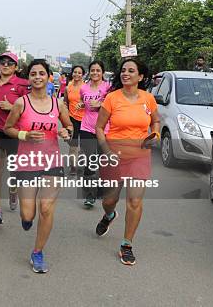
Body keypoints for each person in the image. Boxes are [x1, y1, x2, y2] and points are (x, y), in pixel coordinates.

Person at [4, 59, 73, 273]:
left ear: (48, 77)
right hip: (27, 163)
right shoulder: (20, 104)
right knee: (28, 214)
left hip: (52, 162)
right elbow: (8, 128)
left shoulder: (58, 104)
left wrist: (66, 132)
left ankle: (37, 252)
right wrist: (24, 134)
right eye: (33, 74)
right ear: (29, 78)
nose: (37, 77)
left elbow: (69, 125)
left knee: (46, 208)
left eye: (41, 73)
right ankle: (26, 220)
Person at [95, 58, 160, 266]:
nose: (126, 74)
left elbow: (156, 120)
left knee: (134, 201)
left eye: (131, 71)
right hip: (114, 155)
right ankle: (109, 215)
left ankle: (127, 244)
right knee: (109, 200)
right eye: (123, 70)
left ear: (140, 77)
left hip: (139, 156)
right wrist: (106, 151)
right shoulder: (112, 99)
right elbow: (99, 127)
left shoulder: (148, 99)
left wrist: (155, 134)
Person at [0, 52, 29, 223]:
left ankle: (13, 191)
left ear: (16, 67)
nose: (6, 65)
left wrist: (12, 107)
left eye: (10, 63)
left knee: (14, 172)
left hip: (14, 132)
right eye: (3, 62)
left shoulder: (22, 85)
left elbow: (30, 108)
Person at [78, 61, 111, 208]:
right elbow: (82, 101)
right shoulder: (84, 88)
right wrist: (81, 104)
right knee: (90, 161)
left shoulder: (108, 88)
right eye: (92, 70)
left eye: (98, 70)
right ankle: (89, 195)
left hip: (104, 129)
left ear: (102, 72)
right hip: (86, 128)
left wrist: (101, 105)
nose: (95, 73)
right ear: (89, 72)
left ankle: (101, 188)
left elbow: (113, 106)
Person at [65, 66, 85, 177]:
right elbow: (65, 102)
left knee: (83, 146)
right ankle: (73, 167)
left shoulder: (86, 87)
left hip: (85, 120)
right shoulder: (69, 87)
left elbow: (89, 102)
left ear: (83, 75)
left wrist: (83, 104)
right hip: (72, 119)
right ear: (72, 73)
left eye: (79, 73)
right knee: (72, 145)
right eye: (75, 72)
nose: (77, 74)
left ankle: (82, 165)